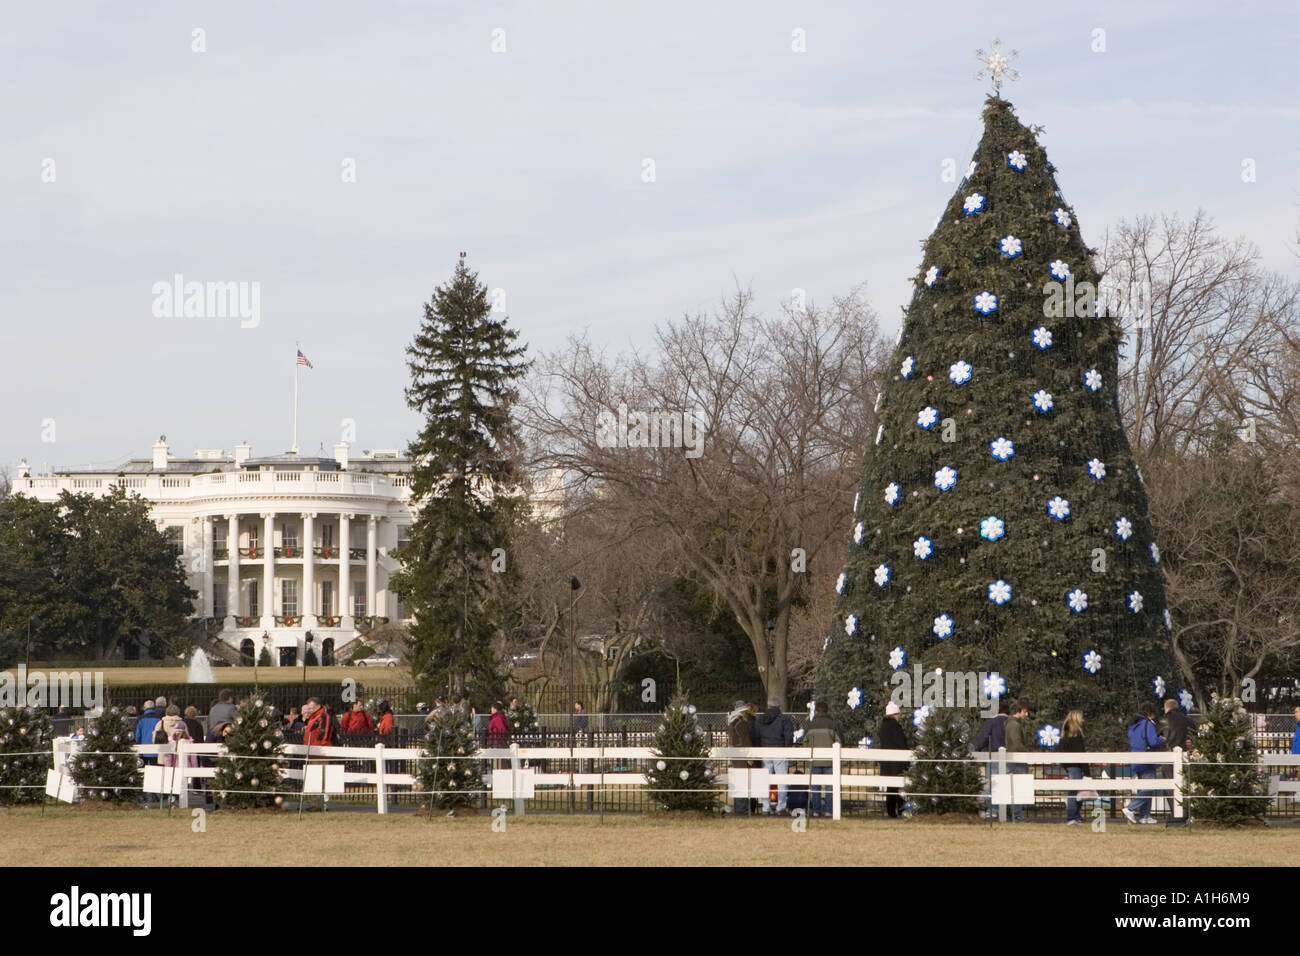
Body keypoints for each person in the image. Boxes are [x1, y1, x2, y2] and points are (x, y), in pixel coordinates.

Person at [751, 696, 794, 814]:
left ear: (768, 706)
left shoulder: (760, 719)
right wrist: (787, 749)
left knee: (764, 780)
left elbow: (756, 736)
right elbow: (789, 737)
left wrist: (758, 750)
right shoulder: (784, 719)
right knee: (782, 780)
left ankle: (766, 807)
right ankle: (781, 807)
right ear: (779, 706)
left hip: (764, 751)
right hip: (780, 751)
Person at [1123, 703, 1165, 824]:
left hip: (1136, 758)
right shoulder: (1148, 724)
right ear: (1150, 714)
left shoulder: (1133, 725)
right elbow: (1152, 742)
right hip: (1147, 759)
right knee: (1149, 786)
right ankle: (1131, 808)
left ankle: (1145, 815)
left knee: (1144, 787)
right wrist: (1161, 740)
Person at [801, 701, 841, 818]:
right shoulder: (832, 724)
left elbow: (804, 741)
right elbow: (839, 741)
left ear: (817, 710)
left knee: (815, 787)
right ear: (827, 710)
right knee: (830, 787)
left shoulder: (810, 724)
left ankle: (816, 811)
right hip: (830, 761)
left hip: (814, 760)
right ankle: (829, 811)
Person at [973, 699, 1008, 816]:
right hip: (1010, 757)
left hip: (994, 756)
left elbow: (983, 738)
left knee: (991, 785)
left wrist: (976, 749)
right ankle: (1008, 810)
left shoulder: (992, 722)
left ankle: (992, 810)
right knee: (1007, 785)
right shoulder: (1012, 722)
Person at [878, 701, 910, 818]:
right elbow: (901, 743)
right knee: (898, 786)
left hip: (887, 762)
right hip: (897, 763)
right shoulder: (895, 726)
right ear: (895, 714)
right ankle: (900, 809)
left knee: (890, 787)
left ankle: (891, 811)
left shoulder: (883, 727)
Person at [726, 700, 757, 816]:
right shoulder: (741, 723)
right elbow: (745, 741)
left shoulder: (732, 722)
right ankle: (742, 810)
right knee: (743, 784)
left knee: (738, 784)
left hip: (735, 756)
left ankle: (739, 809)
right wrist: (750, 757)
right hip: (742, 757)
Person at [1003, 700, 1032, 822]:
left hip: (1015, 759)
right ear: (1018, 711)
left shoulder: (1012, 724)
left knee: (1015, 787)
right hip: (1016, 760)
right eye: (1025, 712)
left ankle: (1015, 813)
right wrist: (1025, 753)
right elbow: (1016, 743)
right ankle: (1017, 814)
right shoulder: (1014, 725)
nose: (1026, 715)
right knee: (1018, 787)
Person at [1059, 710, 1088, 825]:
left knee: (1075, 792)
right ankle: (1072, 816)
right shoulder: (1077, 736)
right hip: (1076, 766)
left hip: (1070, 765)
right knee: (1075, 792)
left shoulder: (1065, 734)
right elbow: (1081, 752)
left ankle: (1075, 815)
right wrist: (1086, 770)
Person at [135, 699, 163, 763]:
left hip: (143, 749)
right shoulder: (159, 718)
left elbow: (138, 735)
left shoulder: (140, 719)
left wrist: (137, 743)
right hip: (156, 749)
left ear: (144, 708)